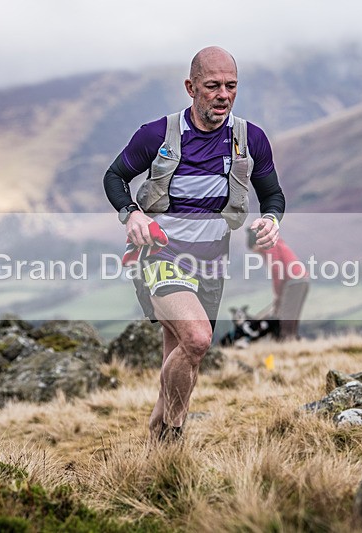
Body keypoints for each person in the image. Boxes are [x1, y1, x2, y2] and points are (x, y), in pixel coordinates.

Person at [103, 46, 285, 443]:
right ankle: (170, 429)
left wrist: (270, 220)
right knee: (198, 338)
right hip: (160, 255)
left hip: (211, 265)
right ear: (190, 87)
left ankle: (162, 442)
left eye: (231, 86)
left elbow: (273, 196)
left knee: (185, 355)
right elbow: (115, 177)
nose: (223, 95)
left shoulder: (250, 139)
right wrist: (131, 214)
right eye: (212, 86)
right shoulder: (157, 134)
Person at [247, 230, 309, 340]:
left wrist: (277, 294)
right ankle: (291, 339)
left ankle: (286, 341)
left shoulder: (269, 248)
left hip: (293, 281)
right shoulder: (275, 244)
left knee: (285, 316)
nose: (257, 253)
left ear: (257, 243)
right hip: (301, 280)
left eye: (255, 250)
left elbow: (277, 270)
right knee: (292, 315)